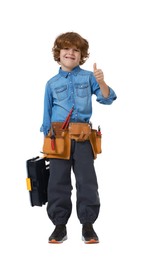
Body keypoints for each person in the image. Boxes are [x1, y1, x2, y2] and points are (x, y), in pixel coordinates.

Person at [40, 32, 117, 244]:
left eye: (76, 50)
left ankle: (88, 226)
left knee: (87, 182)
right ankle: (59, 226)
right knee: (57, 183)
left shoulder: (89, 78)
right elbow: (46, 116)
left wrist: (101, 81)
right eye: (66, 49)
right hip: (57, 139)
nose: (71, 53)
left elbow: (107, 98)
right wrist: (47, 142)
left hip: (83, 137)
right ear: (59, 53)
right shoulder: (51, 83)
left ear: (81, 55)